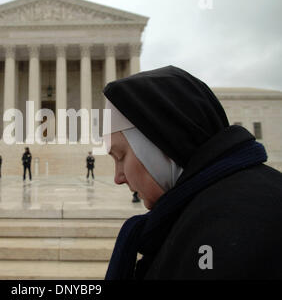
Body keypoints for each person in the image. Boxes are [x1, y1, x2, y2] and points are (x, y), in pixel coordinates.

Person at [103, 65, 282, 280]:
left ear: (159, 146)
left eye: (121, 156)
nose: (118, 177)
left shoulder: (226, 227)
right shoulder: (208, 206)